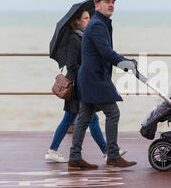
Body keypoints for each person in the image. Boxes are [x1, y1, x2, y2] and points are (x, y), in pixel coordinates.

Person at [46, 9, 127, 163]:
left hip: (82, 84)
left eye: (90, 17)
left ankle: (105, 152)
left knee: (82, 118)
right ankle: (105, 152)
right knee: (80, 119)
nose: (89, 20)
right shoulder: (74, 39)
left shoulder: (82, 37)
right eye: (85, 18)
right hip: (76, 85)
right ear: (76, 21)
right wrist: (85, 74)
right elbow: (72, 65)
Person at [68, 0, 137, 170]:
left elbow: (105, 52)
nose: (111, 4)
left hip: (91, 77)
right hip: (94, 78)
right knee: (112, 113)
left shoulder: (101, 23)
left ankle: (74, 158)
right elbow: (106, 52)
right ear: (97, 6)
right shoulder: (98, 25)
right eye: (106, 1)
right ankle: (113, 156)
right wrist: (127, 64)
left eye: (113, 2)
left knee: (84, 117)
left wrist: (124, 63)